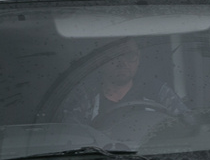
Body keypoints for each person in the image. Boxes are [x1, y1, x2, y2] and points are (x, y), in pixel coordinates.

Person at [61, 37, 189, 127]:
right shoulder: (85, 96)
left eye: (129, 56)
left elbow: (187, 125)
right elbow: (73, 136)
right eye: (114, 57)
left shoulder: (159, 92)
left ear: (138, 59)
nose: (122, 63)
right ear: (100, 61)